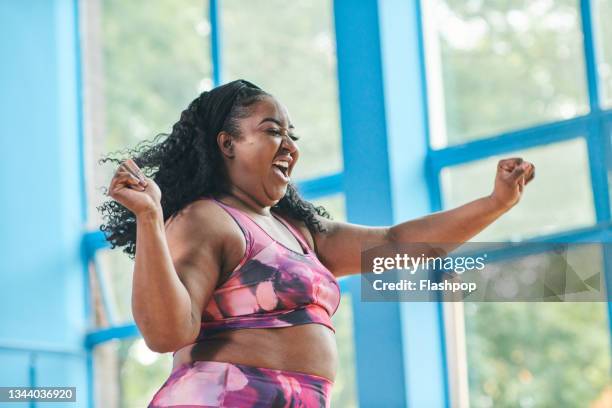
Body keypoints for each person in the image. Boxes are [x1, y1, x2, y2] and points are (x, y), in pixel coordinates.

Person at [100, 79, 535, 407]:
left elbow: (396, 241)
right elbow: (166, 333)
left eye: (293, 136)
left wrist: (495, 203)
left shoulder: (299, 230)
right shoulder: (206, 219)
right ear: (227, 143)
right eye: (273, 132)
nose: (289, 146)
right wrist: (150, 218)